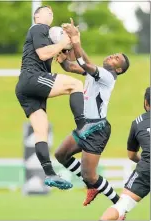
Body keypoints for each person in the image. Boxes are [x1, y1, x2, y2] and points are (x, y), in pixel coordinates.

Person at [15, 6, 99, 190]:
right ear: (36, 16)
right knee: (74, 85)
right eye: (46, 11)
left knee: (41, 130)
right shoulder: (38, 28)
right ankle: (82, 126)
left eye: (52, 12)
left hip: (25, 87)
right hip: (31, 77)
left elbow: (67, 64)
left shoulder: (48, 37)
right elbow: (43, 54)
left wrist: (74, 40)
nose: (51, 13)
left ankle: (50, 174)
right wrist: (62, 42)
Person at [54, 18, 130, 205]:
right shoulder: (96, 72)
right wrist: (66, 49)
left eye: (116, 58)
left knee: (91, 175)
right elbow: (71, 65)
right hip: (85, 125)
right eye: (114, 54)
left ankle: (119, 206)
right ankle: (91, 184)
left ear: (118, 69)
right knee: (61, 155)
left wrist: (75, 39)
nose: (112, 56)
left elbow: (84, 63)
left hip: (97, 130)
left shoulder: (107, 77)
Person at [100, 87, 150, 220]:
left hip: (146, 169)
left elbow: (132, 155)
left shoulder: (138, 122)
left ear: (146, 103)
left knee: (121, 206)